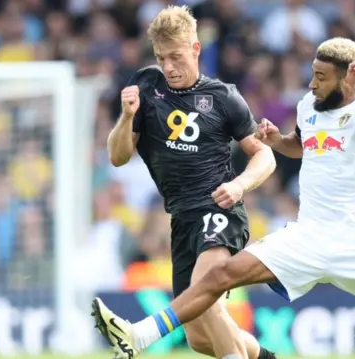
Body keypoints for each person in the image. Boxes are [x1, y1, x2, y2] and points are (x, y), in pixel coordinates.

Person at [94, 37, 355, 359]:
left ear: (347, 78)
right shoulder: (309, 108)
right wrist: (277, 141)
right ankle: (139, 336)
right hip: (307, 235)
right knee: (219, 276)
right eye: (312, 73)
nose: (311, 84)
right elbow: (302, 146)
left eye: (321, 77)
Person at [91, 5, 277, 359]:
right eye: (162, 58)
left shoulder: (224, 97)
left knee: (203, 289)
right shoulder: (145, 86)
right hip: (181, 220)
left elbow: (264, 155)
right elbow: (117, 156)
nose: (169, 67)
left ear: (196, 49)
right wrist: (127, 116)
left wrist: (239, 185)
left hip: (219, 209)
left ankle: (143, 335)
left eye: (176, 57)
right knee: (199, 337)